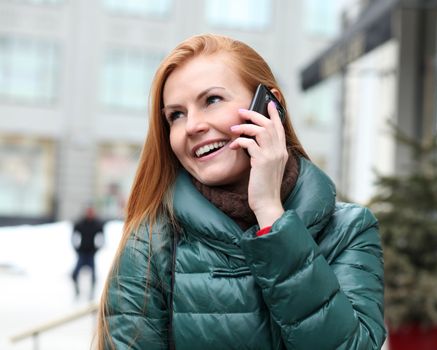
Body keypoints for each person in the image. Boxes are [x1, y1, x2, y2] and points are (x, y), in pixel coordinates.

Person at [97, 33, 386, 349]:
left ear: (270, 107)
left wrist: (271, 217)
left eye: (212, 100)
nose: (192, 126)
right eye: (176, 115)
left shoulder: (349, 230)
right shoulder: (152, 241)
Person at [71, 205, 104, 299]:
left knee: (93, 275)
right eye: (88, 211)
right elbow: (73, 236)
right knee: (74, 274)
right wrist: (76, 248)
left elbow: (102, 238)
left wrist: (97, 249)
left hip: (91, 253)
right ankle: (77, 291)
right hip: (81, 252)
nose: (90, 214)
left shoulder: (97, 224)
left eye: (91, 211)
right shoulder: (81, 223)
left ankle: (91, 293)